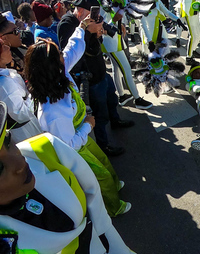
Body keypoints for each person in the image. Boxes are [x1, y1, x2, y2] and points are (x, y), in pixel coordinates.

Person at [24, 22, 131, 217]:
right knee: (99, 178)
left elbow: (72, 49)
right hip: (74, 149)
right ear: (52, 66)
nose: (64, 57)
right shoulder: (52, 110)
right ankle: (113, 208)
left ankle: (114, 187)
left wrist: (81, 27)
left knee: (104, 162)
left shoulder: (57, 75)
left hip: (80, 134)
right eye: (59, 56)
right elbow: (68, 146)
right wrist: (88, 126)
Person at [0, 102, 134, 253]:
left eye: (7, 140)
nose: (20, 161)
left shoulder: (46, 149)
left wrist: (118, 248)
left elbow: (95, 200)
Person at [57, 0, 133, 157]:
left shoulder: (87, 24)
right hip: (88, 77)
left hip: (100, 72)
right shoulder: (67, 23)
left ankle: (116, 120)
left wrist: (97, 34)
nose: (95, 18)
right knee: (99, 113)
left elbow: (93, 48)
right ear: (82, 11)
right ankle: (103, 145)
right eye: (92, 14)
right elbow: (69, 52)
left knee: (111, 99)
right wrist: (87, 31)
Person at [0, 17, 42, 145]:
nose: (7, 48)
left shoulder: (8, 74)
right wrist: (35, 96)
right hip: (26, 134)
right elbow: (21, 114)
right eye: (3, 47)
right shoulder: (4, 83)